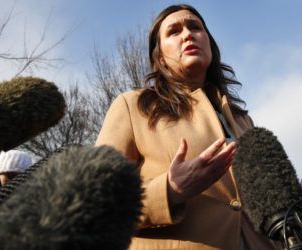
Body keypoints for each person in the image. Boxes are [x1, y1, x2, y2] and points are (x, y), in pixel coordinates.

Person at [96, 4, 275, 250]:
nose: (188, 34)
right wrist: (169, 191)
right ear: (159, 57)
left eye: (195, 27)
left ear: (210, 44)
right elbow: (95, 205)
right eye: (174, 31)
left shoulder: (242, 119)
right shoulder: (132, 106)